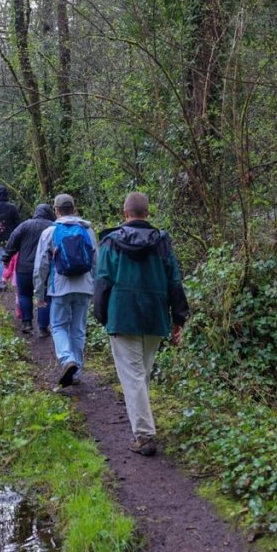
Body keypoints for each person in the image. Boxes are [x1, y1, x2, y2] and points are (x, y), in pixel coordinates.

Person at [93, 192, 189, 457]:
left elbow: (103, 280)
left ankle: (144, 436)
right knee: (141, 374)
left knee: (134, 376)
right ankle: (143, 426)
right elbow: (174, 281)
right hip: (154, 315)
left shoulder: (111, 242)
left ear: (125, 214)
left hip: (123, 316)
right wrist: (178, 318)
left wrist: (101, 315)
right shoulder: (162, 242)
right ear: (147, 214)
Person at [34, 194, 98, 388]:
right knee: (78, 329)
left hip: (60, 287)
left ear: (56, 210)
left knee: (58, 326)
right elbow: (96, 263)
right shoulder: (88, 231)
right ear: (74, 208)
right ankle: (76, 371)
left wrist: (39, 293)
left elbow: (41, 267)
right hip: (84, 286)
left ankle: (66, 358)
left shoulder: (50, 232)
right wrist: (95, 287)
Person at [3, 203, 56, 335]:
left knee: (24, 294)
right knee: (44, 296)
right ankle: (43, 327)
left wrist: (6, 257)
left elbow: (12, 241)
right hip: (46, 268)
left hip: (24, 267)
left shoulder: (25, 225)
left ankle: (27, 323)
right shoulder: (54, 227)